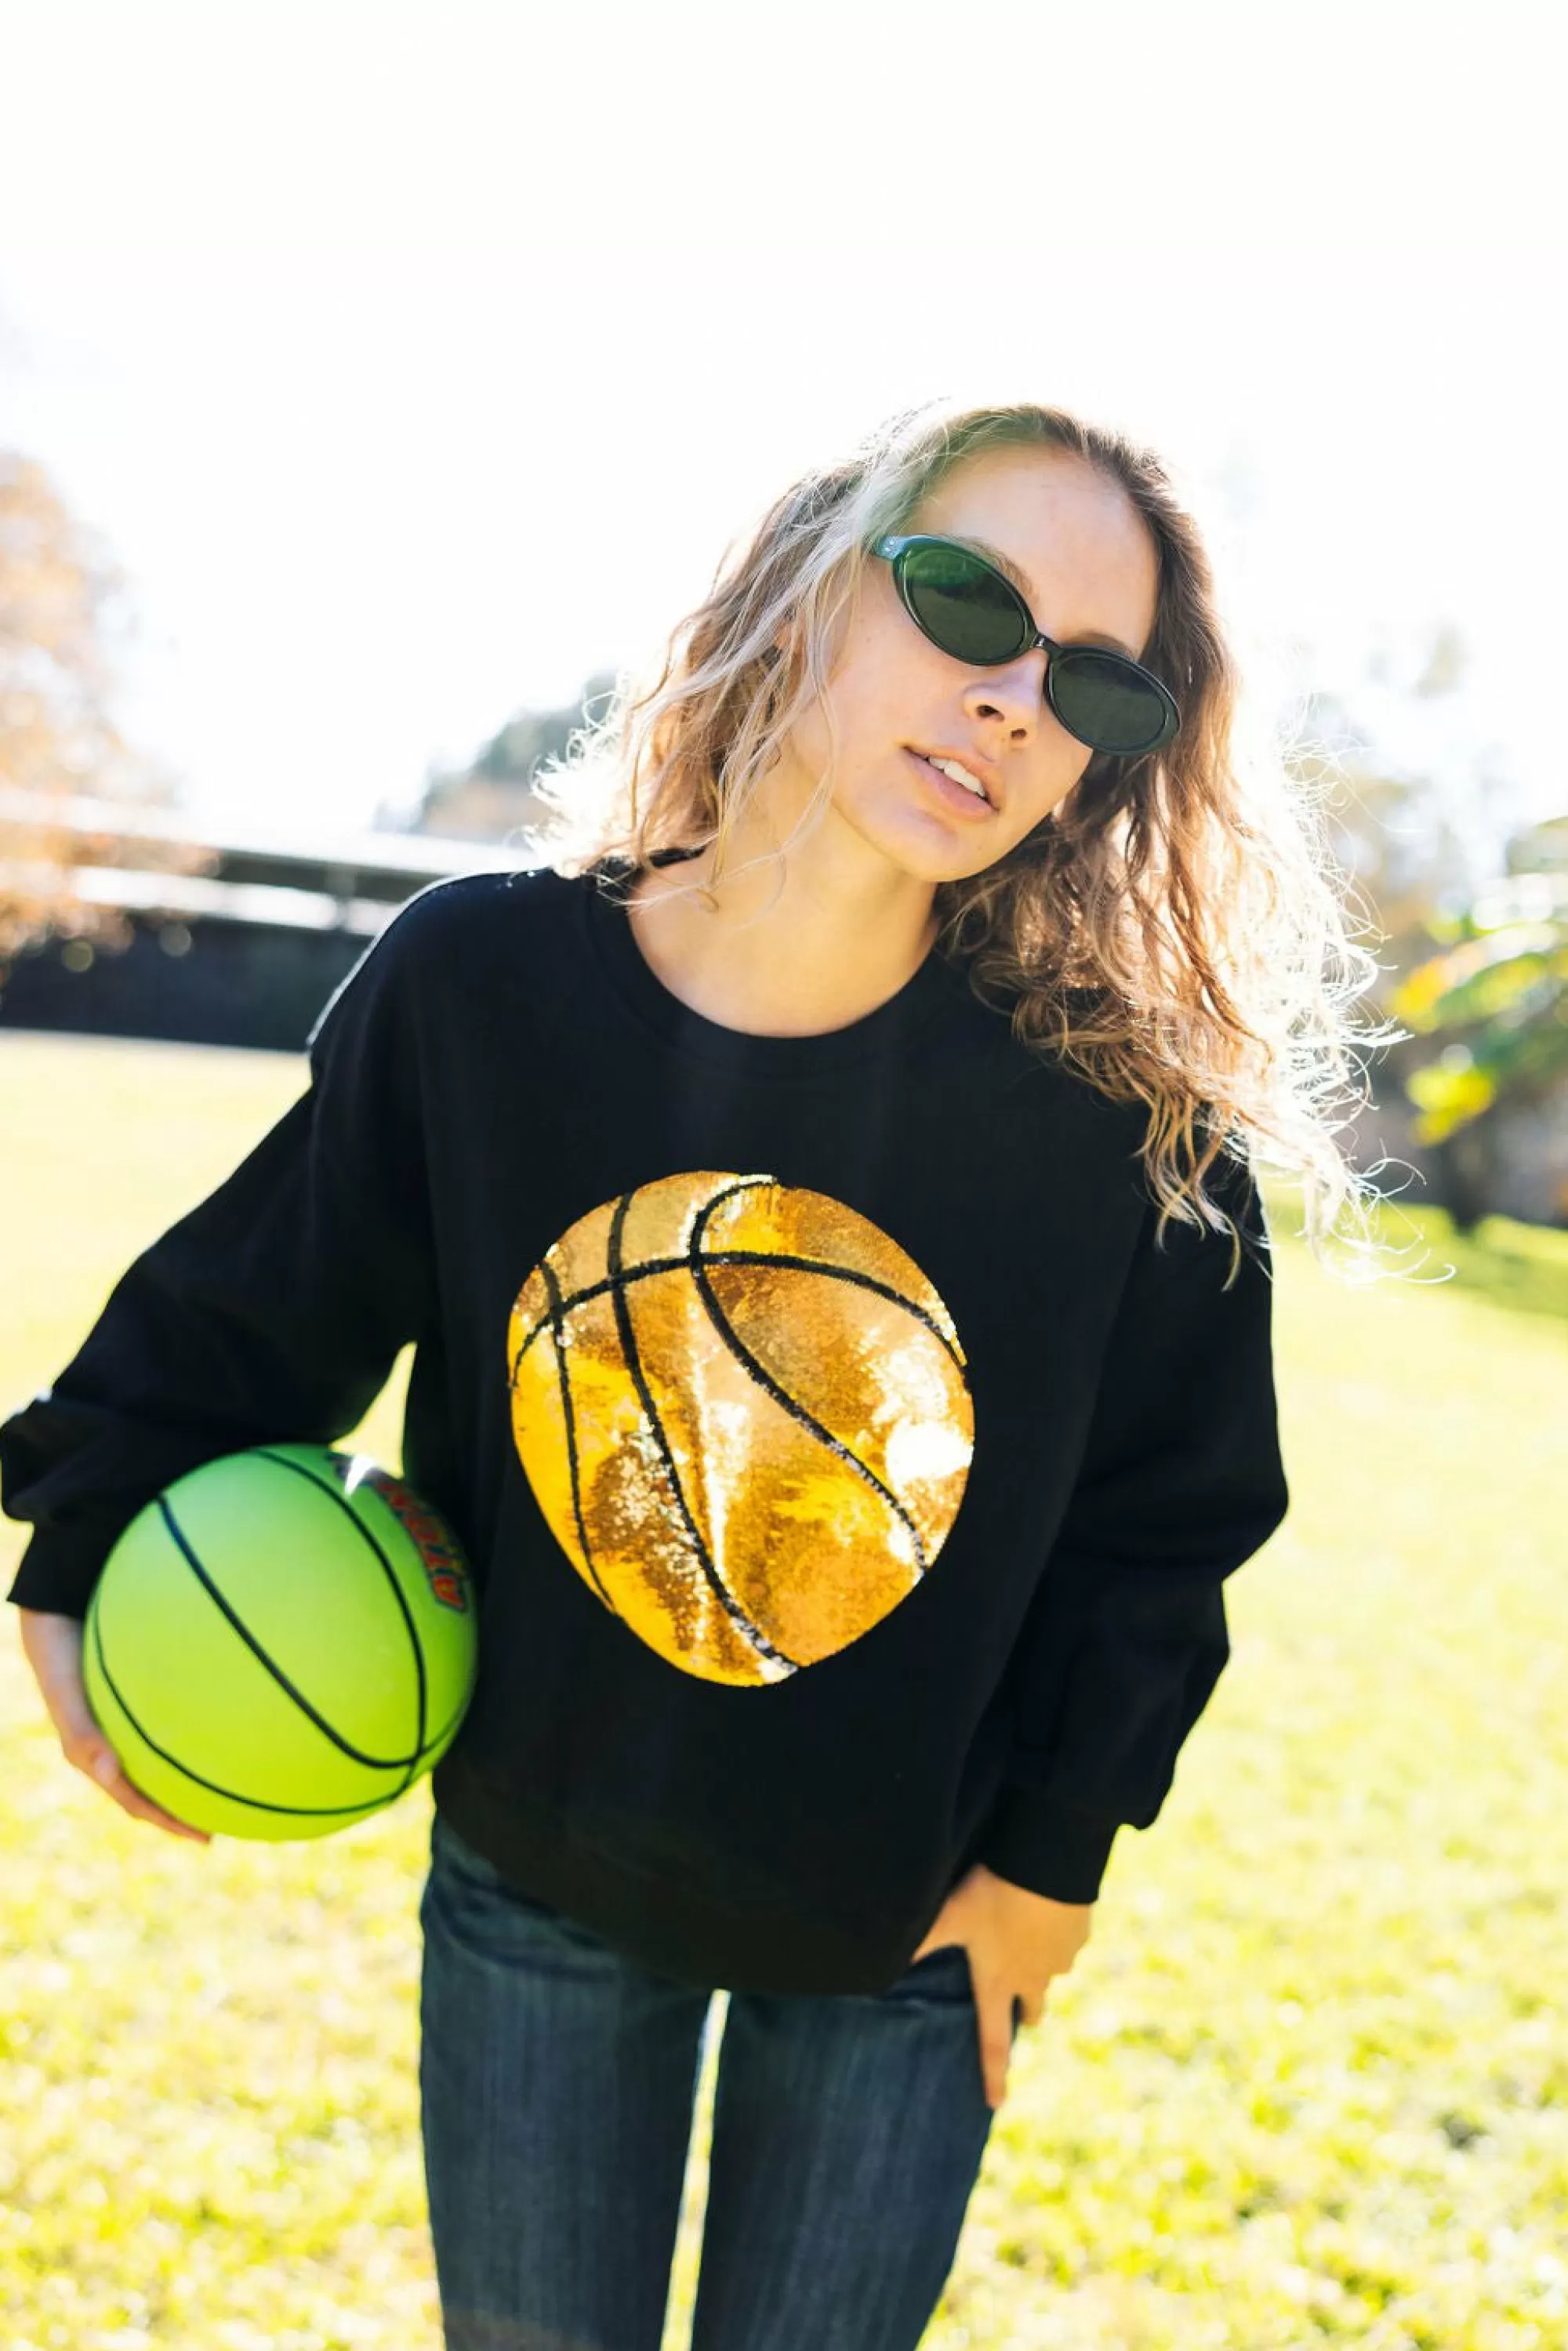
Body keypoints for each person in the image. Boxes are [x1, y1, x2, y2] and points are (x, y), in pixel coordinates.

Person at [2, 397, 1385, 2351]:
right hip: (533, 1881)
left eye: (1095, 682)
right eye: (964, 599)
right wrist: (78, 1535)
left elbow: (1166, 1528)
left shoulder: (1118, 1137)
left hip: (900, 1944)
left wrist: (1049, 1869)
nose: (1011, 697)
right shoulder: (486, 989)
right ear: (821, 578)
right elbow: (264, 1297)